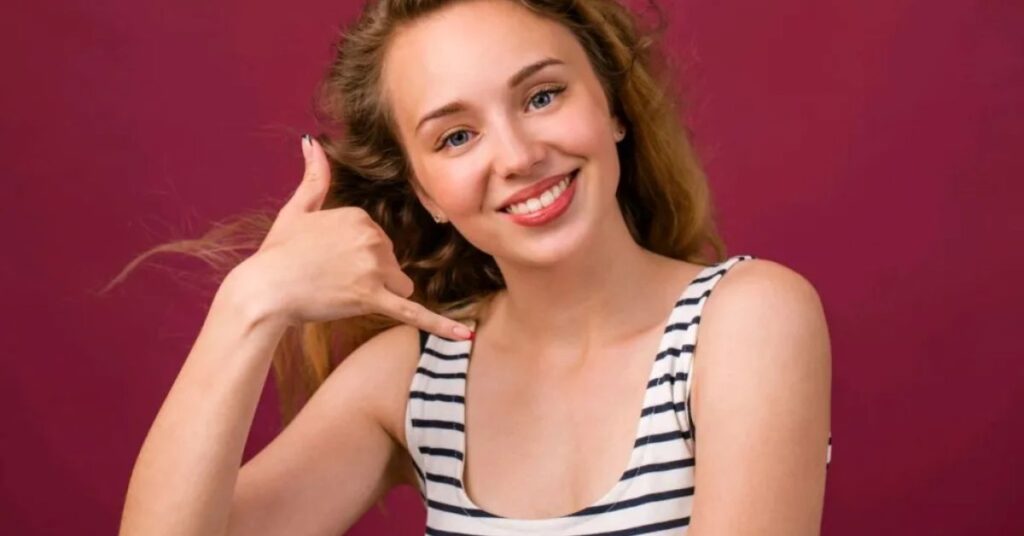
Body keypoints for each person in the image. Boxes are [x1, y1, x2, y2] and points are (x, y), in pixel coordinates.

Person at [119, 0, 833, 534]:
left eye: (542, 96)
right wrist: (251, 303)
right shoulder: (413, 379)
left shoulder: (746, 321)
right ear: (425, 192)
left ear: (613, 107)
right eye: (457, 136)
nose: (518, 156)